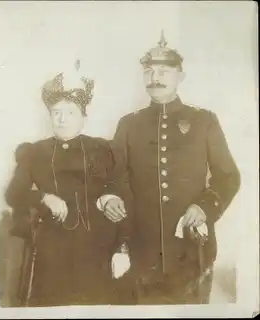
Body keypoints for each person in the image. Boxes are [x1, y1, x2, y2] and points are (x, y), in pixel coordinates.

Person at [97, 31, 241, 304]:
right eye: (149, 71)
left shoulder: (204, 121)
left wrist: (204, 207)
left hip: (191, 248)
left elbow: (228, 176)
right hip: (140, 249)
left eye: (164, 71)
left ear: (180, 76)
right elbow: (114, 175)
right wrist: (111, 196)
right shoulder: (129, 124)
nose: (155, 78)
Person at [4, 60, 122, 307]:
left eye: (70, 113)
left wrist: (110, 197)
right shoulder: (35, 152)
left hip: (96, 246)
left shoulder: (100, 148)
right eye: (56, 113)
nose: (62, 119)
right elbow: (14, 193)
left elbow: (115, 185)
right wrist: (43, 197)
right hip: (51, 248)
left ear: (83, 116)